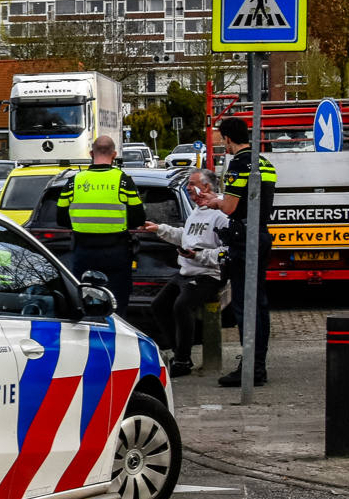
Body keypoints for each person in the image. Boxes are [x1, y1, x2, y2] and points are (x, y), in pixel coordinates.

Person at [141, 169, 231, 377]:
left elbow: (226, 252)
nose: (189, 188)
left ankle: (182, 359)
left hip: (209, 274)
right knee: (158, 305)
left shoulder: (220, 214)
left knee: (182, 306)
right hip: (187, 271)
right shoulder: (197, 211)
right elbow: (186, 237)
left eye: (192, 184)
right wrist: (159, 229)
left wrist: (197, 256)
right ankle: (178, 352)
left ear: (206, 187)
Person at [215, 116, 276, 387]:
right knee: (260, 304)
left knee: (243, 305)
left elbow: (229, 208)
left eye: (222, 139)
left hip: (245, 240)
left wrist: (214, 202)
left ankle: (250, 368)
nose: (222, 144)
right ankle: (258, 365)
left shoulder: (239, 165)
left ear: (228, 138)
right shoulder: (265, 163)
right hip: (261, 235)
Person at [51, 135, 145, 302]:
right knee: (116, 299)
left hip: (83, 251)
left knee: (85, 298)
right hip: (116, 251)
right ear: (114, 155)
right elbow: (138, 218)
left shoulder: (74, 182)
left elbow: (61, 218)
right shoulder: (123, 181)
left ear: (91, 153)